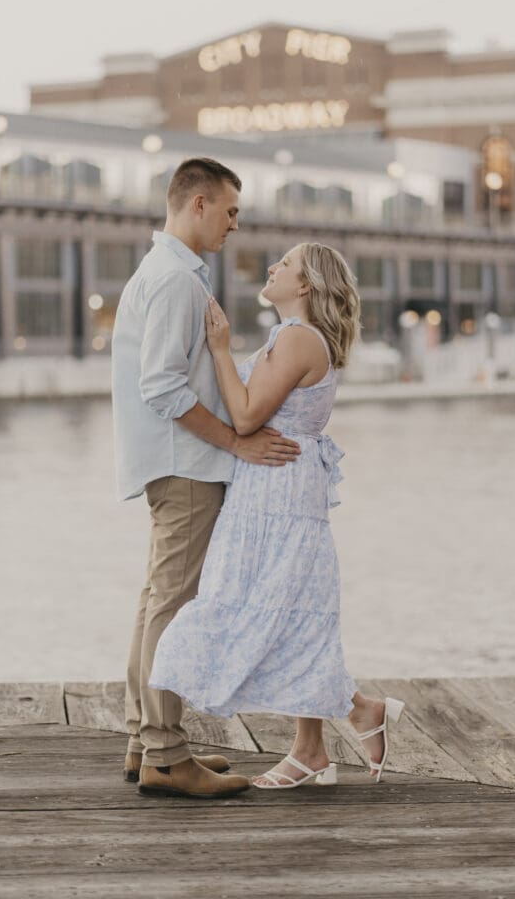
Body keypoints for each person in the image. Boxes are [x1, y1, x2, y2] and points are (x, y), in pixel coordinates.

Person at [150, 242, 406, 789]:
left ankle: (158, 736)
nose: (271, 268)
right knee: (290, 613)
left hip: (279, 493)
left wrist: (219, 348)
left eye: (284, 265)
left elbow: (244, 417)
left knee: (253, 609)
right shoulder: (289, 337)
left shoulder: (297, 339)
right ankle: (322, 741)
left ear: (307, 285)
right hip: (270, 490)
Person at [111, 157, 302, 799]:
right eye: (229, 211)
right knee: (172, 606)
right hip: (186, 466)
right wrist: (236, 443)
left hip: (172, 464)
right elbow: (162, 385)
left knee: (156, 601)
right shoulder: (174, 281)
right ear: (197, 205)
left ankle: (146, 742)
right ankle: (166, 755)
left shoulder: (169, 273)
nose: (234, 225)